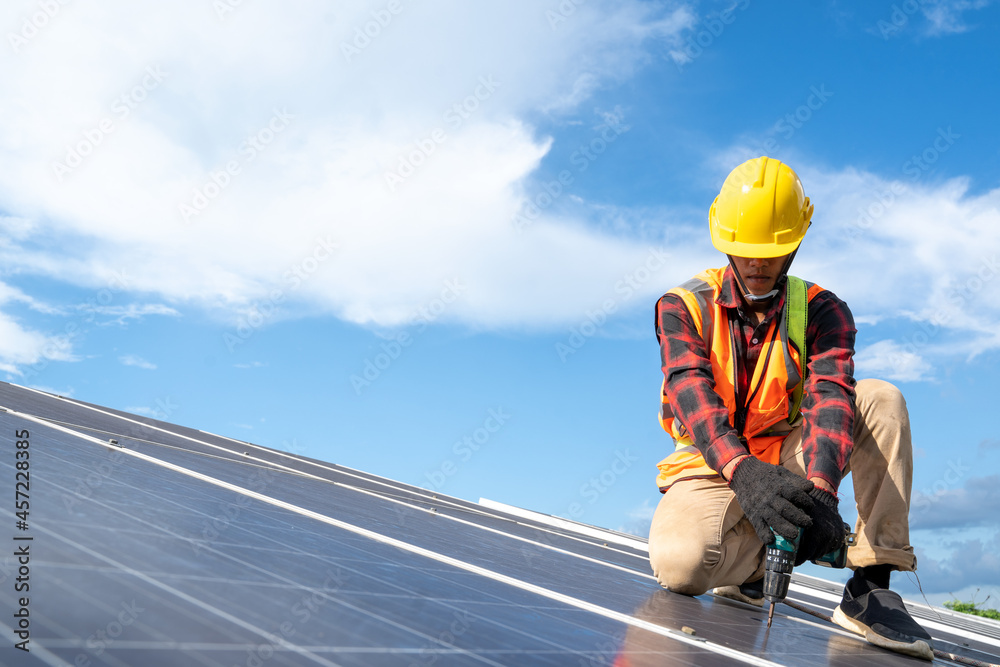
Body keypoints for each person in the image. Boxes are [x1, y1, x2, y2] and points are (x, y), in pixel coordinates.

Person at [649, 156, 933, 660]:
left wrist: (822, 493)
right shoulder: (683, 305)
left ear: (796, 243)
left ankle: (870, 585)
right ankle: (757, 565)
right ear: (724, 242)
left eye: (771, 252)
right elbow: (690, 391)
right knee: (680, 566)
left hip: (790, 456)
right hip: (712, 466)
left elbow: (831, 396)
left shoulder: (823, 309)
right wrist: (743, 473)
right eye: (744, 252)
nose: (756, 264)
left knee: (881, 398)